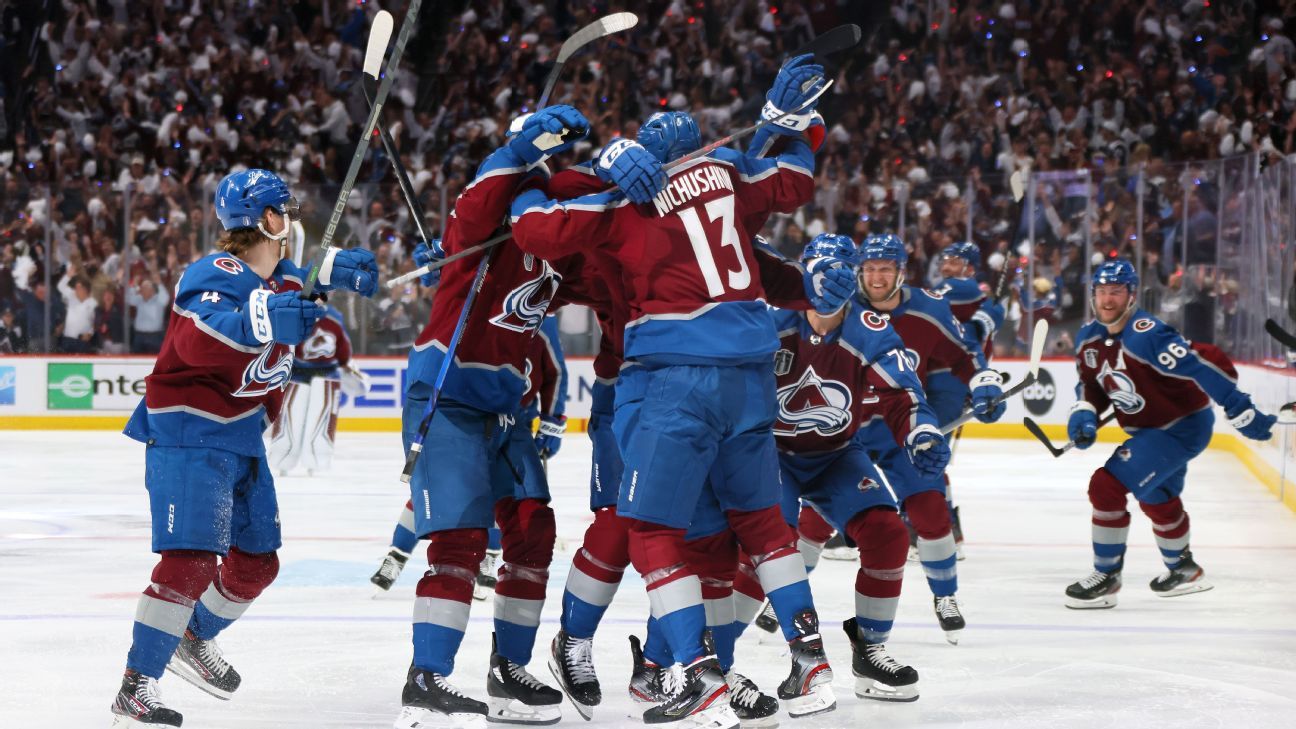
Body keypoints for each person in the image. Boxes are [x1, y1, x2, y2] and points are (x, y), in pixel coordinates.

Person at [511, 55, 839, 727]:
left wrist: (539, 165)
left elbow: (536, 222)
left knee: (677, 532)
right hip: (729, 374)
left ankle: (689, 667)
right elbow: (793, 182)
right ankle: (802, 659)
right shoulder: (726, 173)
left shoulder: (624, 199)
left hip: (665, 379)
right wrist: (795, 126)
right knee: (698, 525)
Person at [108, 168, 377, 728]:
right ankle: (136, 686)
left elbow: (295, 280)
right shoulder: (215, 271)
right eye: (287, 212)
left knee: (257, 563)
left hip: (240, 436)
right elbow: (199, 331)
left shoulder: (278, 277)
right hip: (189, 432)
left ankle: (192, 637)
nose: (294, 222)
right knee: (191, 561)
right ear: (269, 219)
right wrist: (261, 320)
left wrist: (339, 270)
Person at [393, 105, 590, 729]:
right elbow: (480, 199)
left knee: (532, 531)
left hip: (507, 409)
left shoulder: (550, 252)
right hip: (447, 394)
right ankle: (427, 680)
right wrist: (516, 150)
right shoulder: (481, 229)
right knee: (460, 540)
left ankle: (509, 671)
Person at [693, 233, 946, 704]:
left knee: (887, 533)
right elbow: (723, 378)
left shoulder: (869, 328)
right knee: (764, 550)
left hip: (836, 454)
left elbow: (902, 393)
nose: (828, 282)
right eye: (819, 270)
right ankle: (716, 662)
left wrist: (920, 431)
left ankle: (870, 650)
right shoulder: (771, 320)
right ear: (802, 272)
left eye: (839, 273)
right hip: (770, 453)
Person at [1063, 259, 1275, 608]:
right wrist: (1083, 412)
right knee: (1155, 496)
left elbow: (1198, 366)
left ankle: (1106, 577)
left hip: (1180, 428)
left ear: (1131, 296)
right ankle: (1183, 569)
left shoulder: (1146, 334)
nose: (1107, 299)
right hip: (1149, 431)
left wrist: (1238, 406)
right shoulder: (1089, 338)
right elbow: (1091, 385)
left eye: (1115, 292)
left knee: (1106, 486)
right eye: (1101, 292)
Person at [853, 233, 1005, 644]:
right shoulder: (841, 310)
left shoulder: (928, 308)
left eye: (886, 268)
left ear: (901, 272)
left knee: (931, 510)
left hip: (902, 425)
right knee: (813, 521)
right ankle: (777, 608)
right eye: (870, 268)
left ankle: (946, 596)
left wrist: (984, 380)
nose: (878, 276)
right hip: (847, 428)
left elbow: (965, 352)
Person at [927, 241, 1006, 555]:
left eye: (954, 260)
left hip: (948, 380)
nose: (946, 264)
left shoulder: (968, 291)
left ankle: (939, 528)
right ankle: (944, 526)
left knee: (926, 454)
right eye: (945, 258)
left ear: (970, 267)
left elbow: (976, 335)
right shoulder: (972, 295)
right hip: (945, 380)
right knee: (926, 454)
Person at [267, 305, 369, 476]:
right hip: (298, 374)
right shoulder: (296, 318)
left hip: (324, 375)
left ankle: (316, 460)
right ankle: (283, 458)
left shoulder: (332, 320)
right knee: (290, 418)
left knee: (320, 419)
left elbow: (343, 351)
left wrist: (346, 367)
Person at [127, 276, 171, 354]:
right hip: (139, 336)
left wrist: (159, 284)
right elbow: (128, 299)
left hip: (155, 337)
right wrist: (133, 286)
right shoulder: (139, 299)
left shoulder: (159, 300)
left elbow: (166, 299)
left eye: (144, 288)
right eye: (142, 288)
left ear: (152, 290)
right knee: (137, 362)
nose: (141, 290)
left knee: (155, 362)